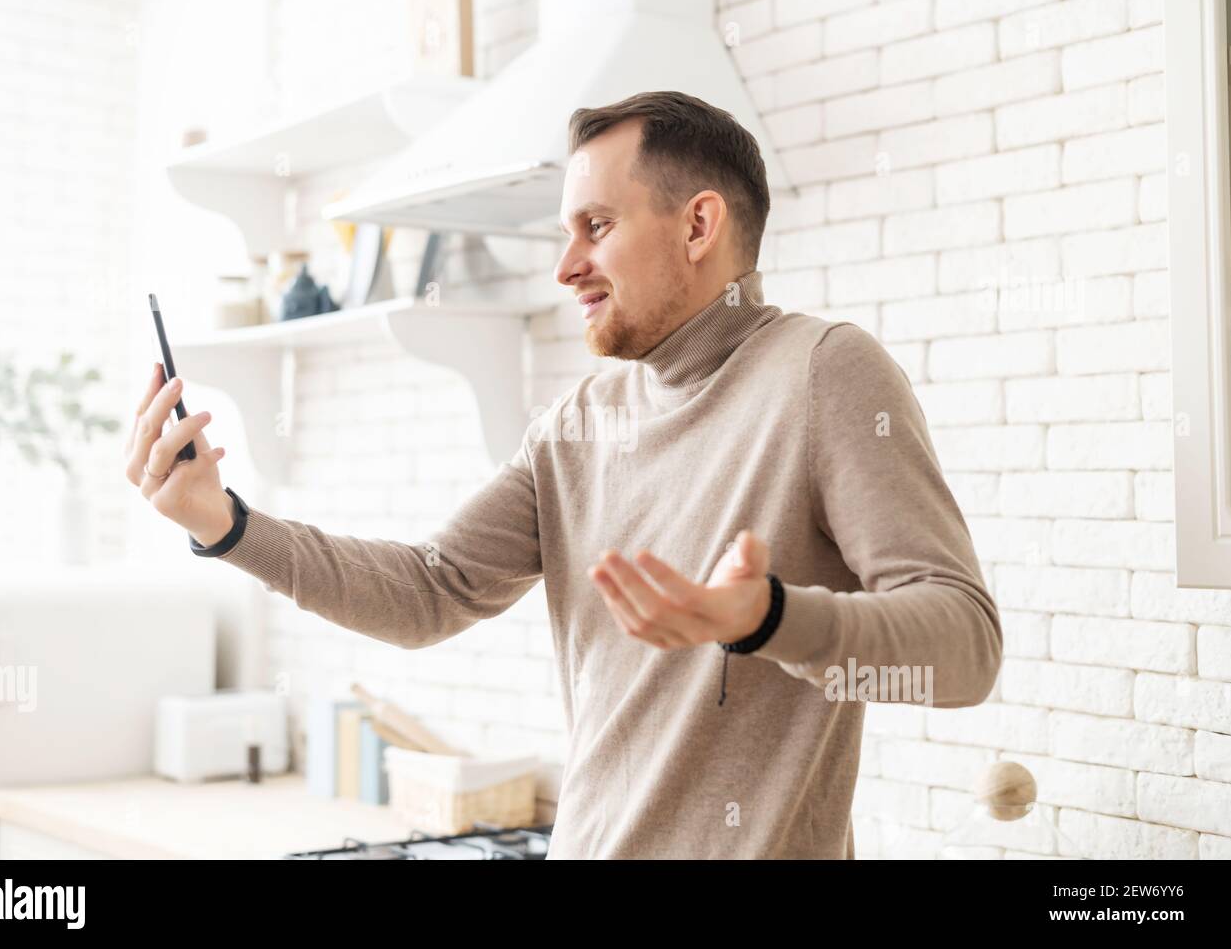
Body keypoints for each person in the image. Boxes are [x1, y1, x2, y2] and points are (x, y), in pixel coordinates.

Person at [124, 90, 1002, 859]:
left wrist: (770, 617)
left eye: (599, 226)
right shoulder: (578, 423)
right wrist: (224, 523)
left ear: (699, 225)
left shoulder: (823, 372)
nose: (565, 266)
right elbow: (430, 592)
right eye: (563, 232)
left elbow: (964, 651)